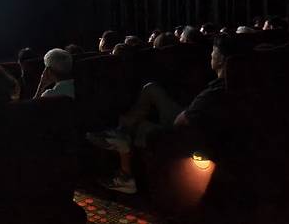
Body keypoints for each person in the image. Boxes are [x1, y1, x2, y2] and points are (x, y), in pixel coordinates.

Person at [87, 34, 242, 194]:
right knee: (151, 88)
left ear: (221, 59)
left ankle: (126, 172)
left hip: (184, 132)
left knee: (141, 127)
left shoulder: (216, 93)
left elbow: (181, 123)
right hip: (191, 120)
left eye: (214, 51)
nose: (211, 54)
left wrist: (186, 113)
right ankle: (121, 132)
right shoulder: (234, 84)